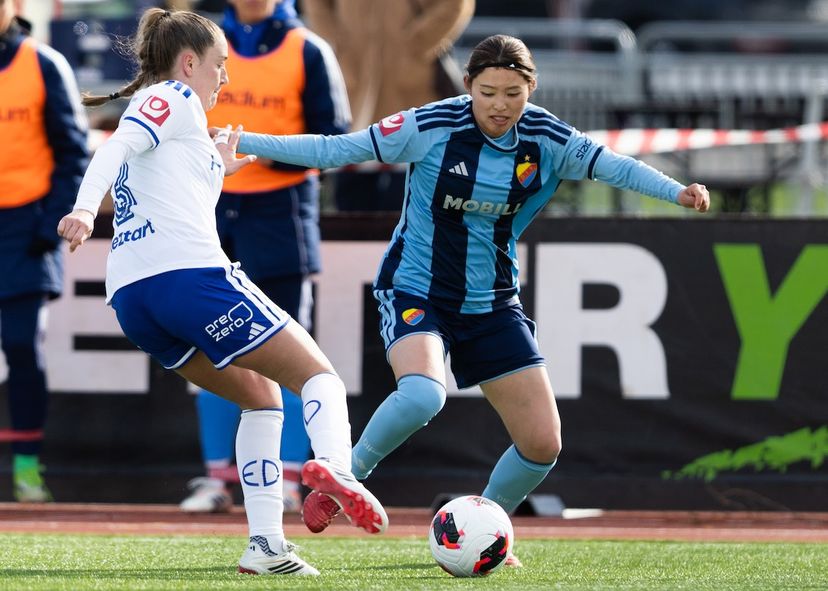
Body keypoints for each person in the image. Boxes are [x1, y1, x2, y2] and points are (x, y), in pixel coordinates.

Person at [220, 33, 711, 557]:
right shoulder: (430, 126)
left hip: (493, 303)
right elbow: (335, 149)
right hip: (416, 288)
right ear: (469, 85)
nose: (500, 105)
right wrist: (245, 140)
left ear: (531, 90)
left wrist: (676, 192)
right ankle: (343, 478)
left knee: (542, 443)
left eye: (513, 94)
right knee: (423, 395)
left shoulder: (547, 138)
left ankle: (484, 529)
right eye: (488, 93)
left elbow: (616, 166)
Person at [56, 8, 386, 576]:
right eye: (220, 64)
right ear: (189, 64)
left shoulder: (174, 119)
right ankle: (336, 467)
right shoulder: (174, 97)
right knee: (318, 376)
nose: (225, 77)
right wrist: (85, 210)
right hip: (189, 279)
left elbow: (164, 185)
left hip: (133, 300)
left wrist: (217, 169)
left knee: (261, 398)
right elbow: (112, 148)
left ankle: (266, 547)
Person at [179, 0, 350, 516]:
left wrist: (259, 153)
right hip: (208, 208)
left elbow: (333, 138)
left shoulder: (308, 50)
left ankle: (291, 480)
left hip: (281, 214)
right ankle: (216, 479)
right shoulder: (199, 43)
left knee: (289, 349)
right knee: (210, 346)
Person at [0, 0, 88, 502]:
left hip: (26, 228)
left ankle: (27, 469)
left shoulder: (43, 63)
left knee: (21, 345)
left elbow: (73, 151)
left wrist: (50, 220)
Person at [302, 0, 474, 211]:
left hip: (411, 82)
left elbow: (455, 5)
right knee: (351, 195)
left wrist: (417, 42)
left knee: (408, 189)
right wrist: (338, 41)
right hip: (354, 78)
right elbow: (316, 4)